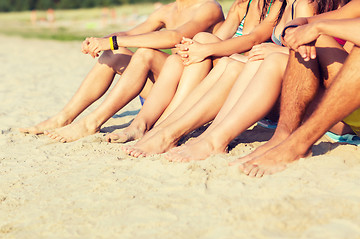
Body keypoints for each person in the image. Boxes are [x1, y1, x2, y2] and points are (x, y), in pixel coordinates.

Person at [123, 0, 335, 158]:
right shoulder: (282, 4)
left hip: (296, 94)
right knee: (225, 61)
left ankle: (174, 134)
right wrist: (200, 48)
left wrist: (279, 48)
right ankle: (172, 130)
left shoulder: (304, 4)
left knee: (232, 64)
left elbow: (305, 51)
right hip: (273, 81)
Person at [19, 0, 224, 142]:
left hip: (193, 90)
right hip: (166, 88)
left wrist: (113, 41)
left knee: (145, 54)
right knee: (111, 55)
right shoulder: (167, 11)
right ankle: (63, 118)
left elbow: (174, 37)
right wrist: (99, 42)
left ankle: (93, 122)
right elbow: (129, 33)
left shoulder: (208, 7)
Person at [107, 0, 285, 148]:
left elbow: (252, 39)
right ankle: (143, 124)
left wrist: (204, 49)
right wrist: (191, 49)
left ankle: (165, 126)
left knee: (204, 42)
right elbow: (219, 40)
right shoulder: (242, 5)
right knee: (182, 55)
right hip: (236, 72)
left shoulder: (275, 6)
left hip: (257, 85)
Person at [232, 0, 360, 177]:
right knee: (305, 37)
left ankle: (298, 145)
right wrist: (295, 30)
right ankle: (283, 136)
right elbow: (304, 21)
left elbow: (316, 24)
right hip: (350, 106)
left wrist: (318, 27)